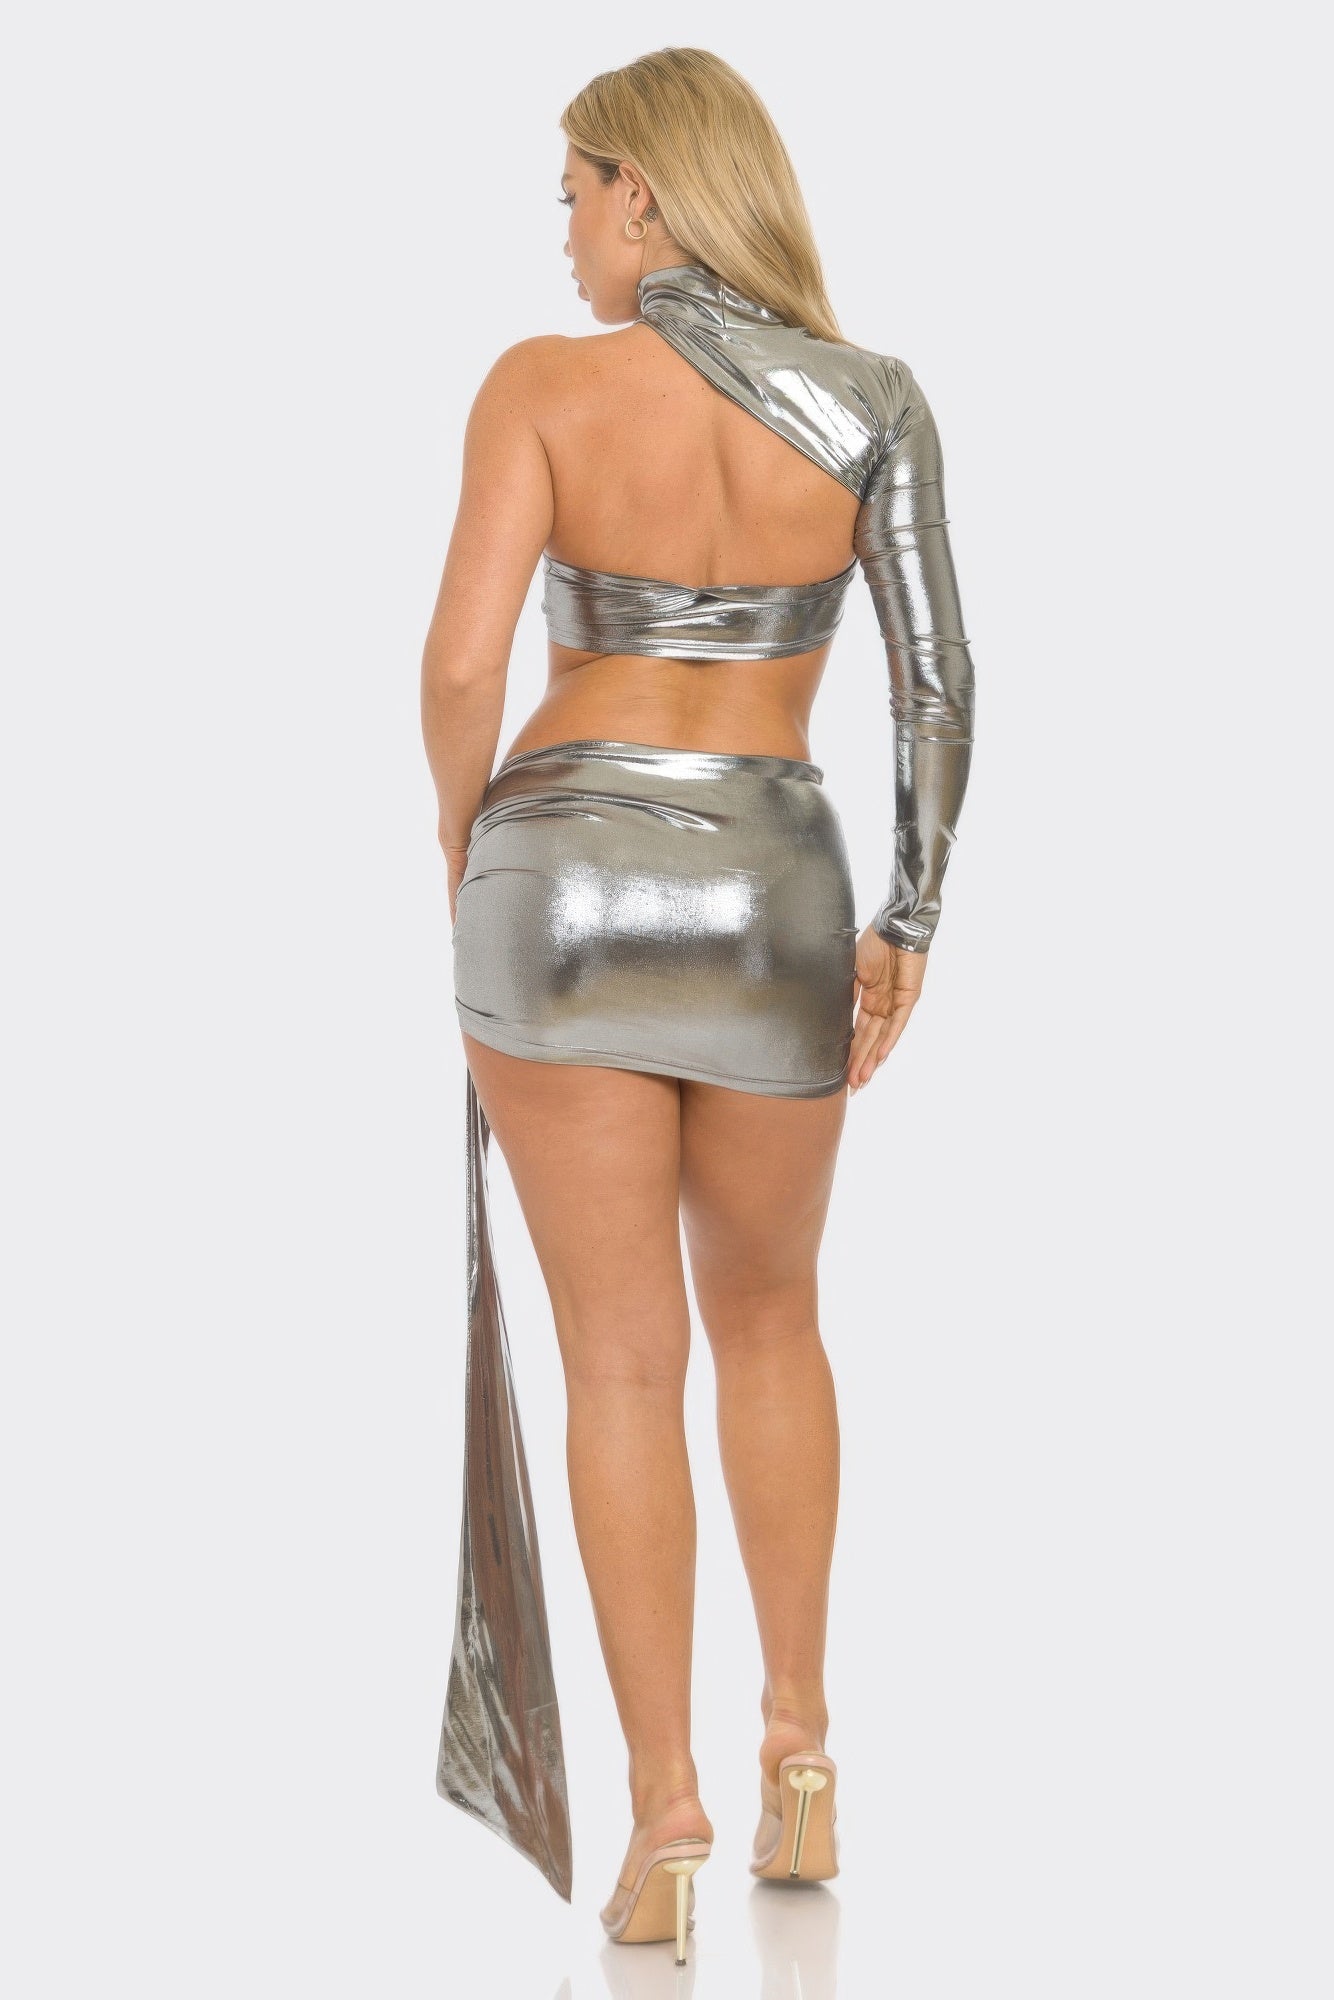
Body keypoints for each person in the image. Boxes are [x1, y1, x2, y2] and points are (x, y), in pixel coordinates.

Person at [421, 46, 976, 1961]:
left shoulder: (542, 386)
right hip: (774, 893)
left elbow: (461, 668)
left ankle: (661, 1811)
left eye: (573, 191)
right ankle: (796, 1748)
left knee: (618, 1362)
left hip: (559, 884)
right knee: (769, 1321)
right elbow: (935, 687)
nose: (563, 231)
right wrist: (909, 910)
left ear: (644, 194)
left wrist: (466, 848)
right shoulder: (871, 402)